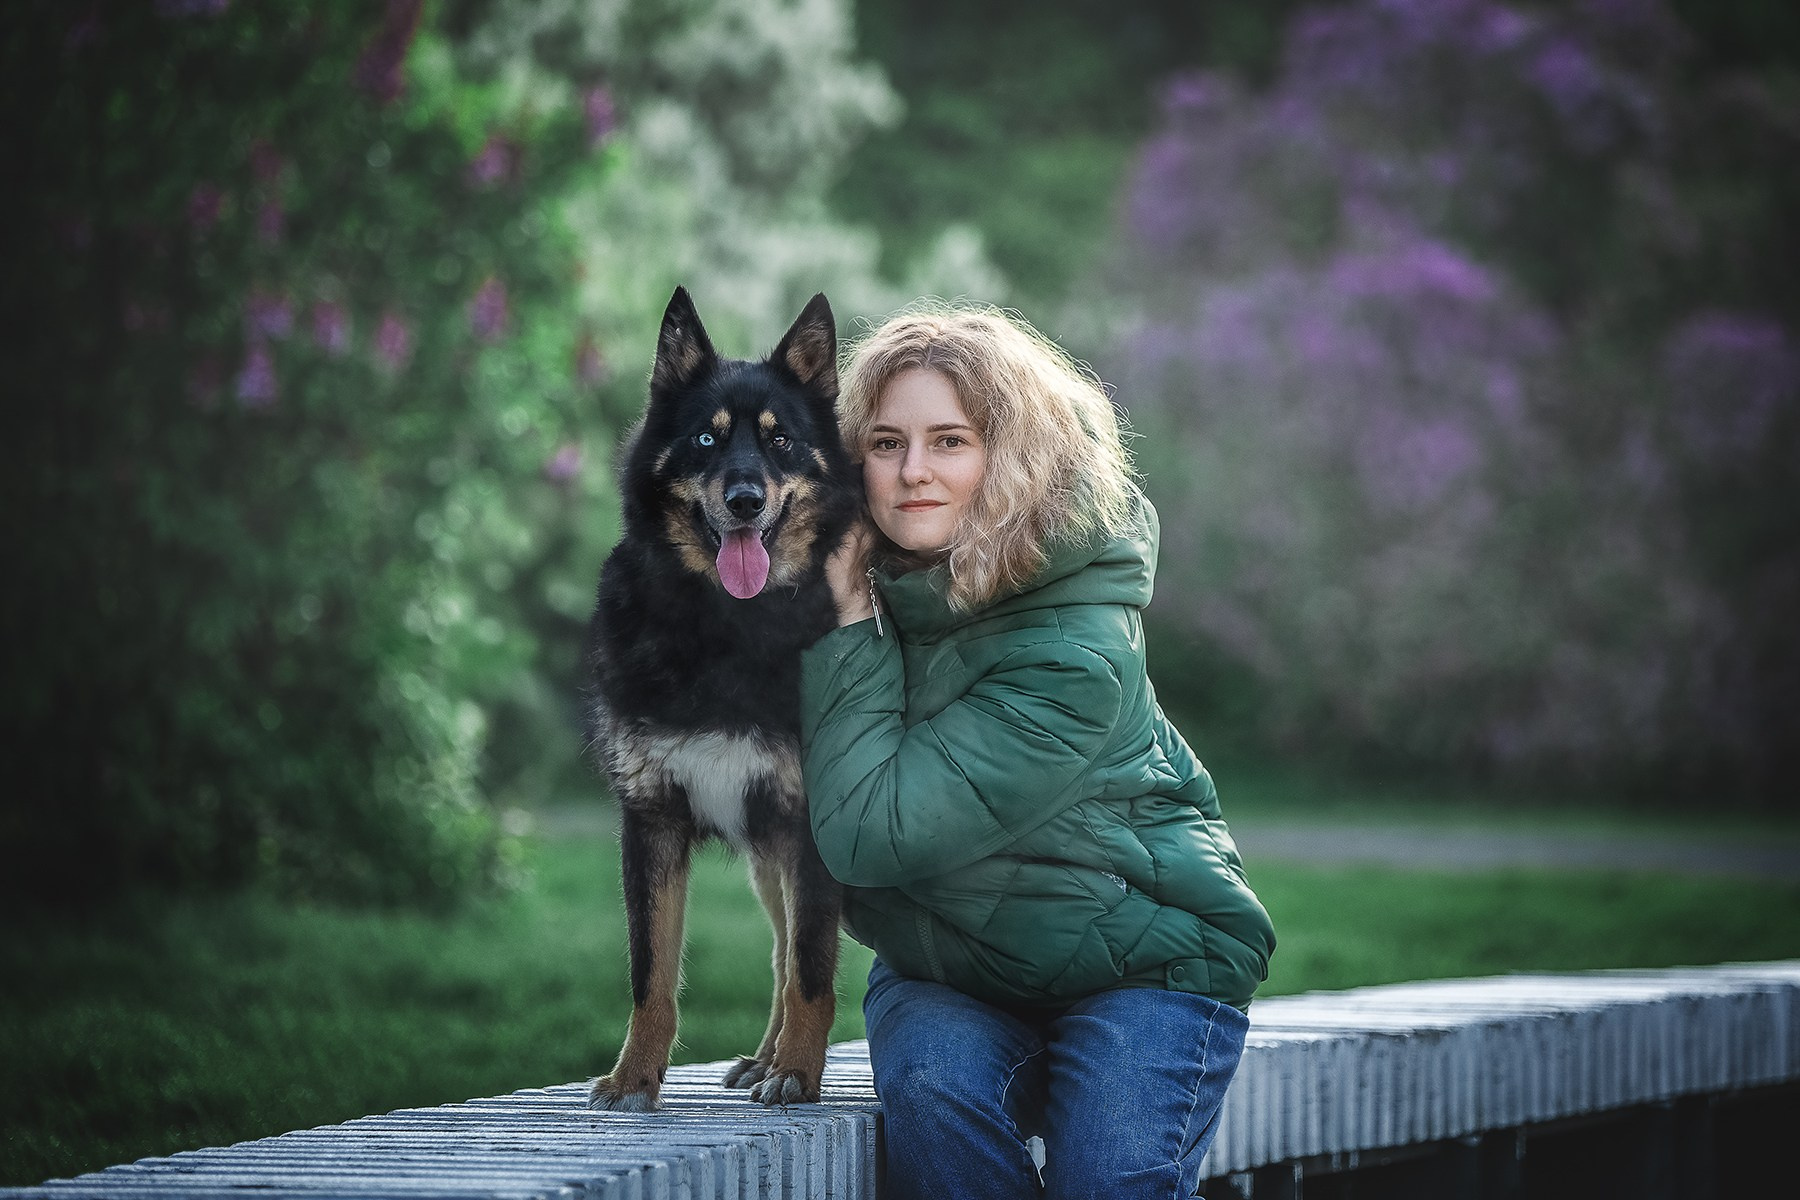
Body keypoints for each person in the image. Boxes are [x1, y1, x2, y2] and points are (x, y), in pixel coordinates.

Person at [799, 302, 1276, 1199]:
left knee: (1111, 1180)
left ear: (1011, 455)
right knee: (935, 1095)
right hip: (953, 968)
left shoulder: (1074, 652)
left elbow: (867, 833)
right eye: (885, 443)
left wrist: (851, 623)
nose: (912, 473)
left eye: (950, 441)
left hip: (1148, 963)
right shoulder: (859, 586)